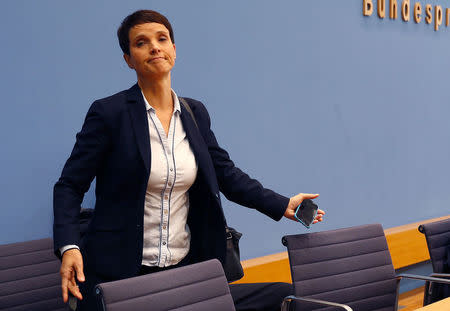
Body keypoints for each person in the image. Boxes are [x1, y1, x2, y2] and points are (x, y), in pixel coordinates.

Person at [53, 9, 325, 311]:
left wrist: (282, 204)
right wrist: (69, 246)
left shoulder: (194, 113)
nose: (155, 46)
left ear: (174, 50)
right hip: (122, 276)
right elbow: (69, 185)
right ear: (129, 59)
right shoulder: (109, 114)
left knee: (283, 295)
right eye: (141, 42)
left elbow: (226, 175)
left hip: (185, 269)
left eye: (162, 39)